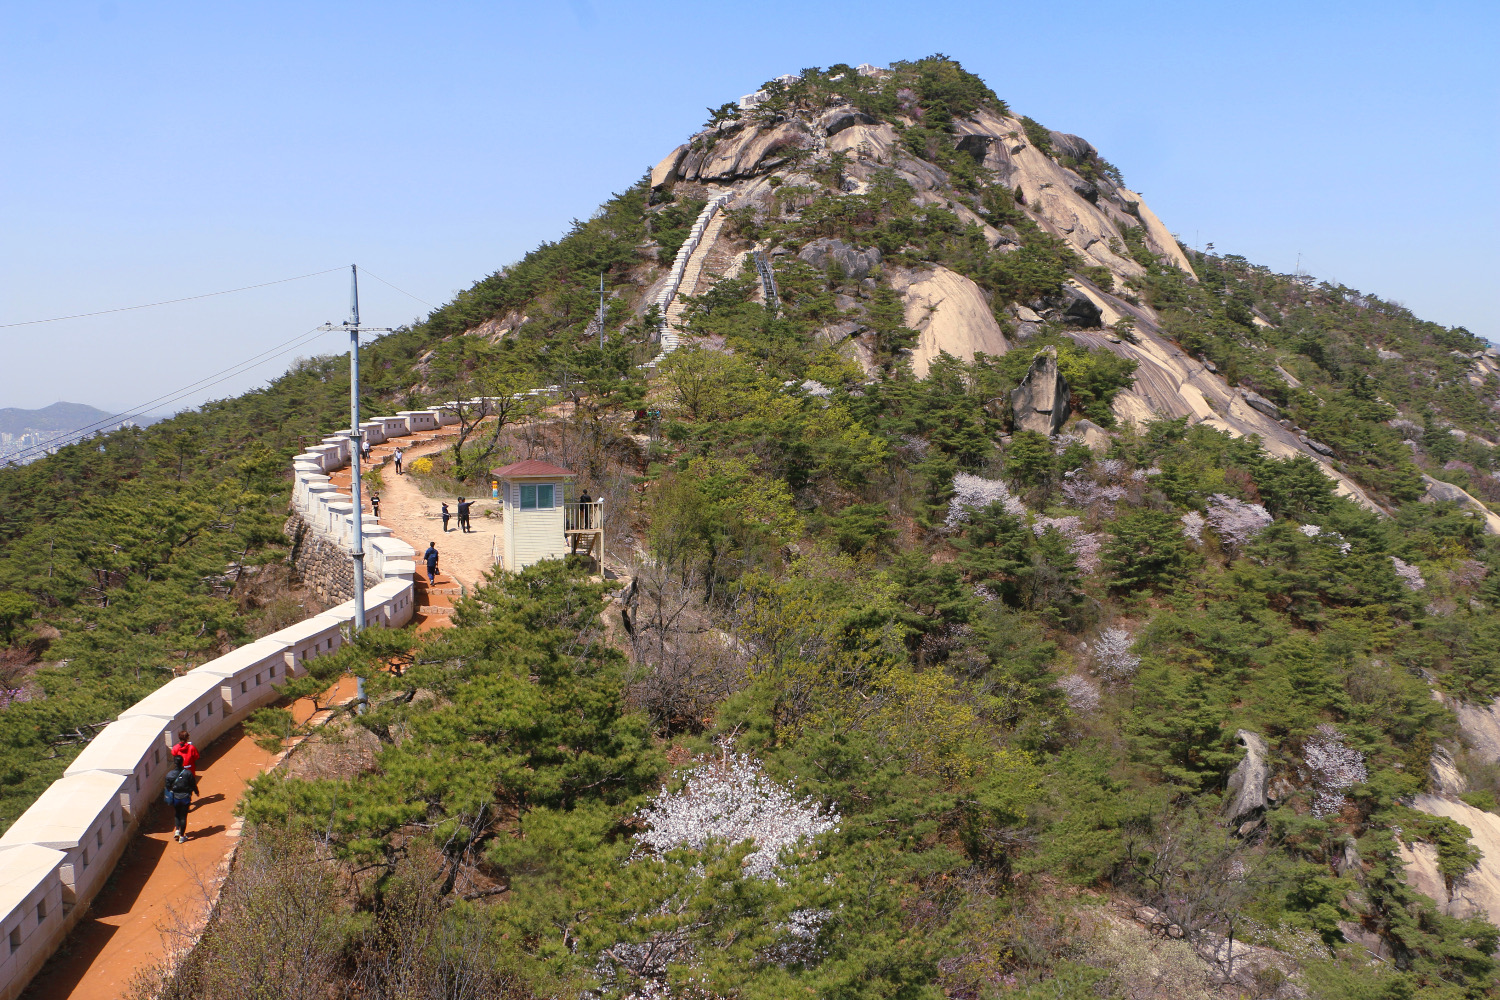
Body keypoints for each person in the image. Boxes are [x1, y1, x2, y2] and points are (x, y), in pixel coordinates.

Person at [167, 760, 199, 842]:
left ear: (174, 763)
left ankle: (177, 830)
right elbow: (193, 784)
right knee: (183, 817)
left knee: (177, 814)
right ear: (182, 763)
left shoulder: (170, 774)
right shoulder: (188, 773)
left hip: (175, 798)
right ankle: (182, 836)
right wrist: (196, 791)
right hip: (185, 797)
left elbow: (167, 786)